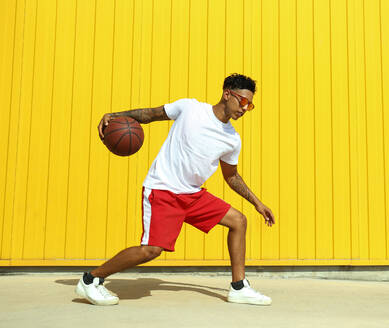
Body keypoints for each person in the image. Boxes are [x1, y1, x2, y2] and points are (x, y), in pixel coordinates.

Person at [75, 73, 275, 306]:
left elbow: (231, 176)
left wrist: (257, 203)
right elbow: (150, 114)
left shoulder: (232, 139)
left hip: (192, 194)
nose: (245, 108)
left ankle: (239, 287)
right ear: (227, 94)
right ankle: (91, 280)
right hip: (164, 189)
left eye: (249, 105)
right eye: (242, 101)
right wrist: (116, 116)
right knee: (151, 250)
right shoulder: (190, 109)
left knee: (238, 221)